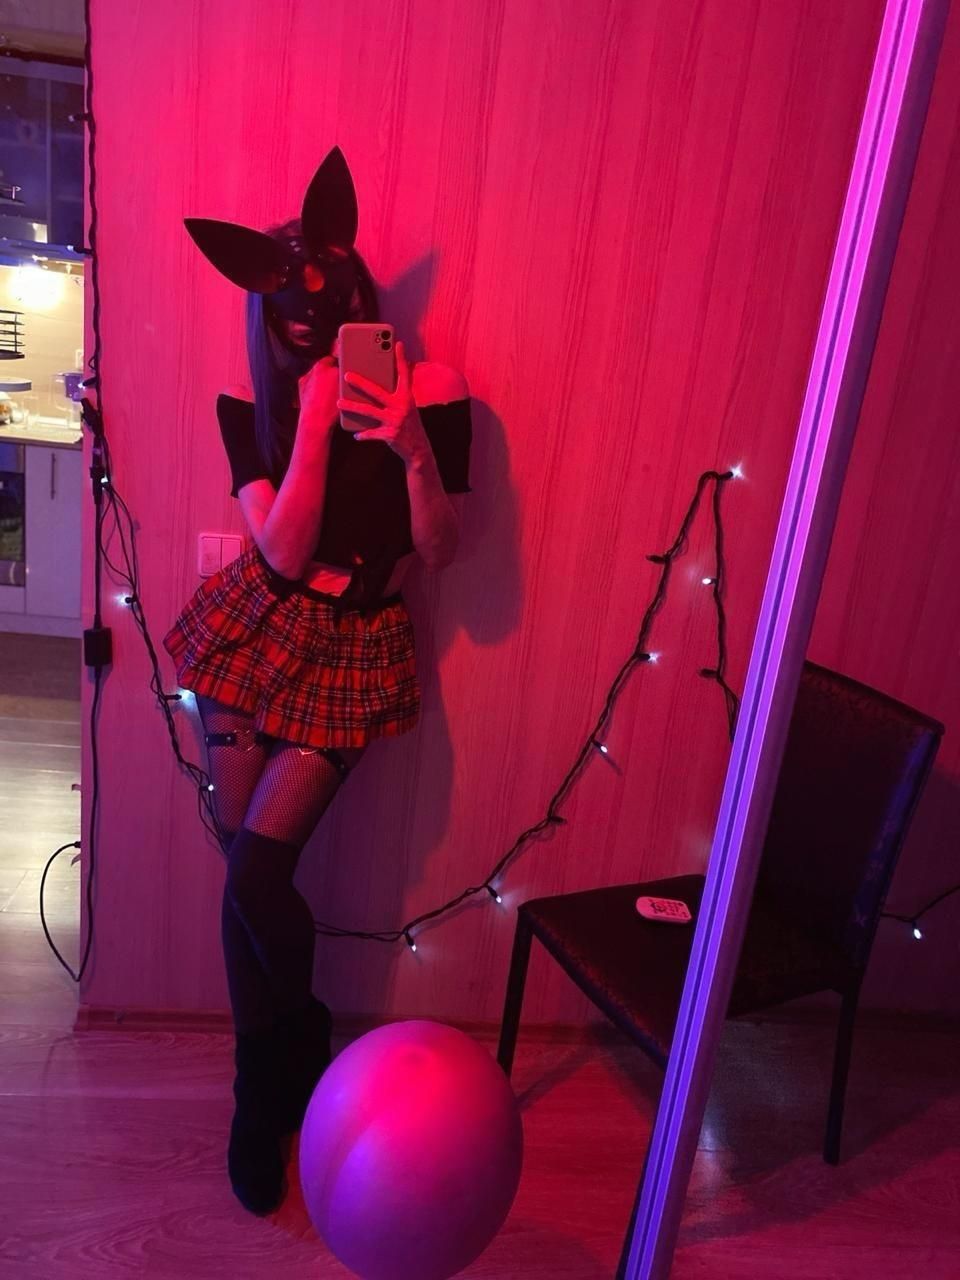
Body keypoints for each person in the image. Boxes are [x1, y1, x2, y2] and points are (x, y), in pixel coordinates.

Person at [162, 148, 472, 1215]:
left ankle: (274, 1071)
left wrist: (414, 448)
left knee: (256, 877)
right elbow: (285, 552)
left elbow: (440, 554)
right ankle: (278, 1060)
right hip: (253, 634)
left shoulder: (433, 389)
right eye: (288, 314)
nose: (311, 319)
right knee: (242, 877)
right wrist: (308, 419)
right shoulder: (246, 412)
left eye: (329, 301)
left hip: (355, 648)